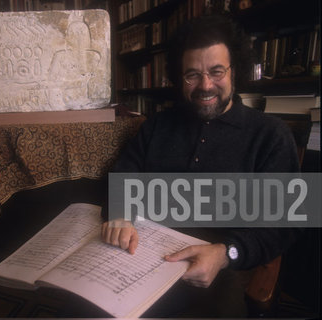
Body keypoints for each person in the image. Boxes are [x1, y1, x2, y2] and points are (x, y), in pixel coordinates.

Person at [101, 14, 300, 317]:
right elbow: (121, 177)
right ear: (178, 77)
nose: (205, 85)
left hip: (216, 273)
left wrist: (225, 253)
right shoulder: (157, 126)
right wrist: (119, 213)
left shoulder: (271, 135)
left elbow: (283, 226)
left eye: (216, 72)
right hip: (137, 257)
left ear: (236, 71)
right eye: (192, 75)